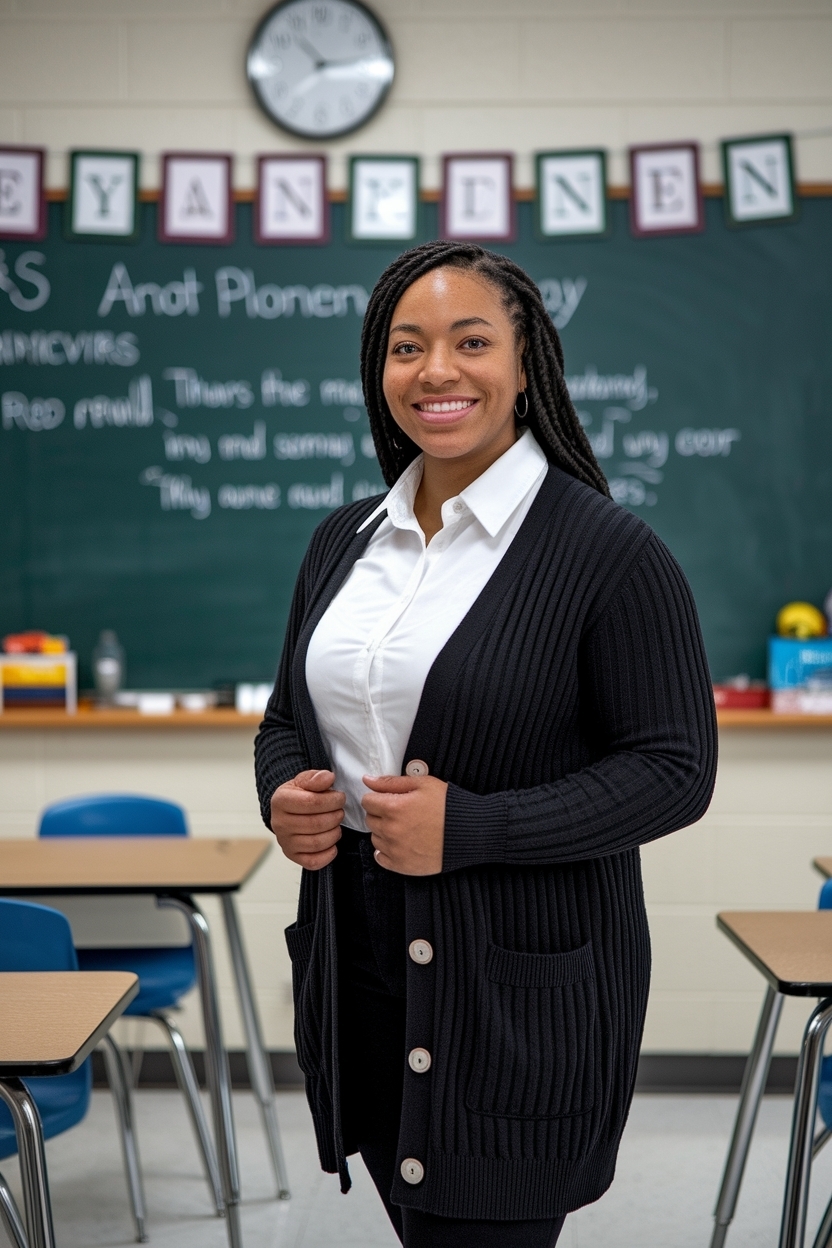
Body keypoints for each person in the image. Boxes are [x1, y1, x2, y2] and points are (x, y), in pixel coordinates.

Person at [255, 240, 717, 1247]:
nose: (436, 371)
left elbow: (675, 772)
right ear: (379, 372)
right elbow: (288, 717)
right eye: (406, 346)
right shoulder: (343, 541)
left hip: (515, 994)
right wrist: (287, 791)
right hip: (356, 967)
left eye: (471, 342)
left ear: (526, 364)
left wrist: (471, 827)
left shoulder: (608, 552)